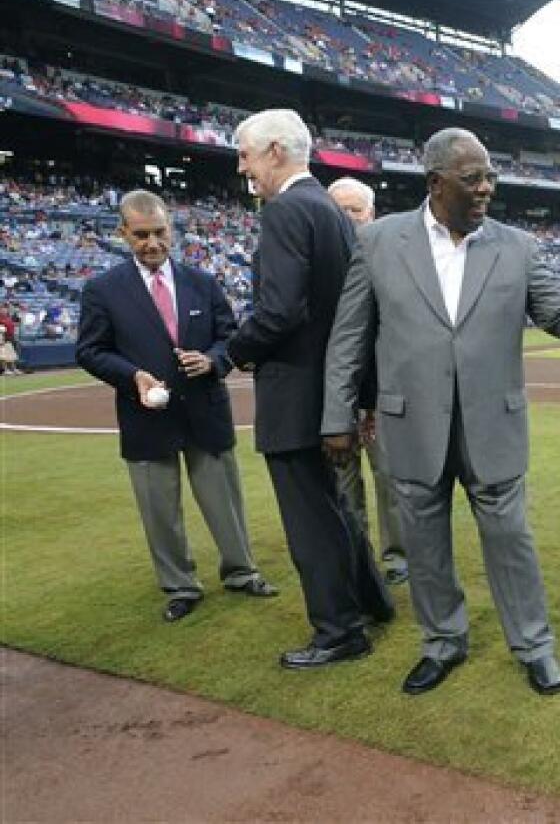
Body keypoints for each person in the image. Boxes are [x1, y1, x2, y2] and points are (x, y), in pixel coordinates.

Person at [322, 127, 560, 696]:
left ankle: (534, 645)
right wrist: (336, 417)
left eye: (489, 177)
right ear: (436, 182)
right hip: (410, 420)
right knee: (424, 542)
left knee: (511, 538)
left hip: (493, 420)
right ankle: (442, 643)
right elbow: (349, 338)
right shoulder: (380, 242)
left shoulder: (518, 246)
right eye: (473, 179)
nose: (486, 188)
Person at [227, 110, 393, 669]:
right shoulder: (332, 212)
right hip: (330, 392)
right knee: (336, 508)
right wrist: (359, 395)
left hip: (296, 396)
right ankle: (371, 601)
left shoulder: (286, 211)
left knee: (310, 520)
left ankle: (340, 631)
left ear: (275, 151)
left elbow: (279, 311)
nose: (241, 165)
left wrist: (230, 352)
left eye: (246, 153)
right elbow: (354, 318)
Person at [76, 189, 277, 622]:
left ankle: (241, 572)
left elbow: (229, 336)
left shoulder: (202, 282)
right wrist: (132, 376)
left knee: (225, 501)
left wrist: (214, 360)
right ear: (123, 233)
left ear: (173, 229)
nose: (152, 243)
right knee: (159, 510)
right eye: (141, 234)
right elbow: (90, 350)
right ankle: (180, 585)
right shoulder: (102, 290)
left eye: (160, 232)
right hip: (145, 414)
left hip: (205, 408)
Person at [326, 176, 409, 586]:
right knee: (343, 481)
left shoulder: (392, 260)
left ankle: (398, 557)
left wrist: (375, 400)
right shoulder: (318, 263)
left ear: (372, 214)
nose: (348, 217)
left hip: (383, 396)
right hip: (335, 397)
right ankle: (357, 557)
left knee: (390, 478)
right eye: (339, 210)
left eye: (355, 210)